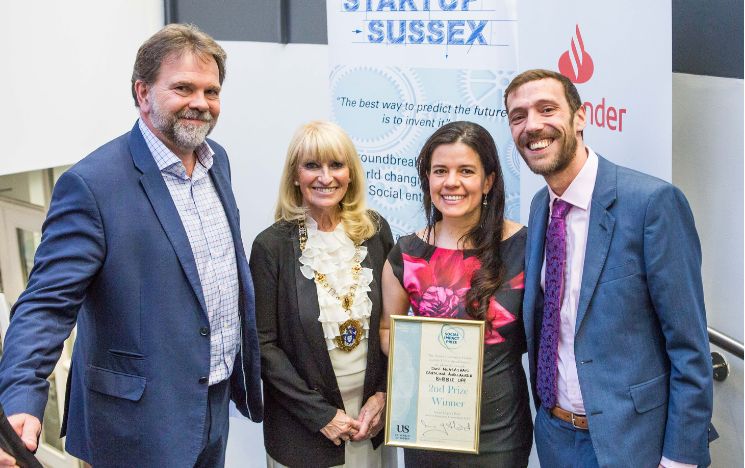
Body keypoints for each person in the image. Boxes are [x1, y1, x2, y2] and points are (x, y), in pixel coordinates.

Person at [0, 24, 262, 467]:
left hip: (213, 404)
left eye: (211, 91)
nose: (201, 103)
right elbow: (46, 304)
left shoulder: (219, 163)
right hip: (135, 425)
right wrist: (21, 397)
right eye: (183, 88)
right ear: (143, 93)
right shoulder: (92, 185)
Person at [505, 69, 715, 467]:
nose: (532, 125)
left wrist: (679, 458)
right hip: (555, 437)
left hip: (636, 445)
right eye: (518, 116)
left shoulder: (652, 204)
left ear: (580, 117)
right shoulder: (540, 205)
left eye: (546, 109)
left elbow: (690, 347)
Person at [380, 121, 533, 467]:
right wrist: (425, 351)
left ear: (488, 181)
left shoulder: (525, 247)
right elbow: (387, 331)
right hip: (427, 431)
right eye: (440, 171)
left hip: (499, 433)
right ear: (428, 180)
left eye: (466, 171)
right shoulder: (406, 255)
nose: (452, 182)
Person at [249, 121, 394, 467]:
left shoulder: (376, 231)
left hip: (371, 424)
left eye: (336, 165)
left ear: (351, 174)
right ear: (295, 176)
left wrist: (386, 395)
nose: (325, 177)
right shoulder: (271, 246)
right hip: (304, 433)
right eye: (312, 165)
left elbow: (395, 324)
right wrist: (321, 416)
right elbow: (263, 345)